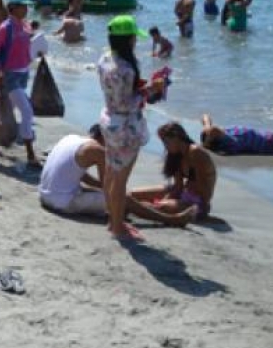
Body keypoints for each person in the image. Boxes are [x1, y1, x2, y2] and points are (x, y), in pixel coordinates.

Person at [40, 125, 195, 224]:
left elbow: (78, 175)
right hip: (62, 202)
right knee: (121, 200)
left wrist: (100, 187)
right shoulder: (97, 150)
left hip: (46, 194)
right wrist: (120, 195)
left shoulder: (71, 138)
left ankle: (153, 210)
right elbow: (109, 190)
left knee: (119, 197)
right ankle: (172, 219)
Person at [97, 15, 153, 242]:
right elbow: (127, 102)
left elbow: (117, 96)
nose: (135, 42)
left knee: (111, 173)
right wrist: (149, 90)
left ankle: (114, 220)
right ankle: (117, 227)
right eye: (133, 38)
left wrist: (139, 89)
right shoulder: (126, 69)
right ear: (128, 39)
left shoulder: (104, 59)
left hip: (109, 119)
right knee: (120, 179)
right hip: (125, 126)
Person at [0, 0, 38, 165]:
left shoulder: (25, 25)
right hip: (10, 76)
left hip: (23, 74)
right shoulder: (5, 28)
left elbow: (28, 47)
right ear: (13, 7)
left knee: (6, 110)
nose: (26, 9)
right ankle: (30, 154)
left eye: (27, 6)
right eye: (23, 6)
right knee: (27, 111)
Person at [130, 123, 217, 221]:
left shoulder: (195, 152)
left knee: (159, 207)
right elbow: (178, 187)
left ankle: (130, 207)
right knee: (133, 194)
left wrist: (202, 207)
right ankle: (131, 206)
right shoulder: (176, 155)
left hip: (198, 201)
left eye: (166, 142)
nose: (165, 146)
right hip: (183, 192)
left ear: (176, 137)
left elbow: (204, 189)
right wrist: (166, 199)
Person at [199, 113, 273, 156]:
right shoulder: (228, 143)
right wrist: (206, 145)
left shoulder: (225, 134)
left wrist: (206, 127)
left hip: (271, 137)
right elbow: (214, 130)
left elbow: (205, 116)